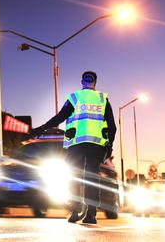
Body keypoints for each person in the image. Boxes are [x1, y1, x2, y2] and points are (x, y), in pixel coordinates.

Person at [29, 71, 116, 224]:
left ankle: (76, 210)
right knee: (91, 177)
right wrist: (110, 145)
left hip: (76, 143)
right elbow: (112, 126)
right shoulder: (102, 99)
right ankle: (91, 213)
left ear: (82, 82)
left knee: (74, 176)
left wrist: (40, 129)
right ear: (95, 83)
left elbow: (59, 118)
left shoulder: (75, 97)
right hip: (96, 145)